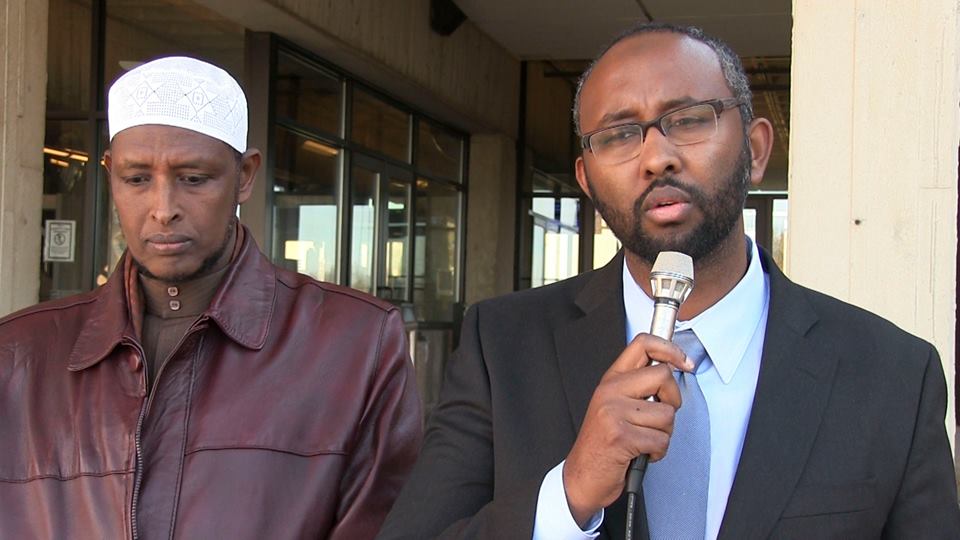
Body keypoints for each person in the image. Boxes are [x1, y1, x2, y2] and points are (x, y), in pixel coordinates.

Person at [379, 23, 960, 540]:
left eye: (688, 119)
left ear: (756, 150)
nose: (656, 157)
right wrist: (569, 495)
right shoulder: (502, 344)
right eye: (618, 134)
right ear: (587, 180)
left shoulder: (893, 375)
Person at [0, 56, 421, 539]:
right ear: (111, 174)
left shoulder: (356, 345)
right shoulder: (19, 355)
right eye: (137, 179)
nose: (163, 209)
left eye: (194, 178)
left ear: (245, 175)